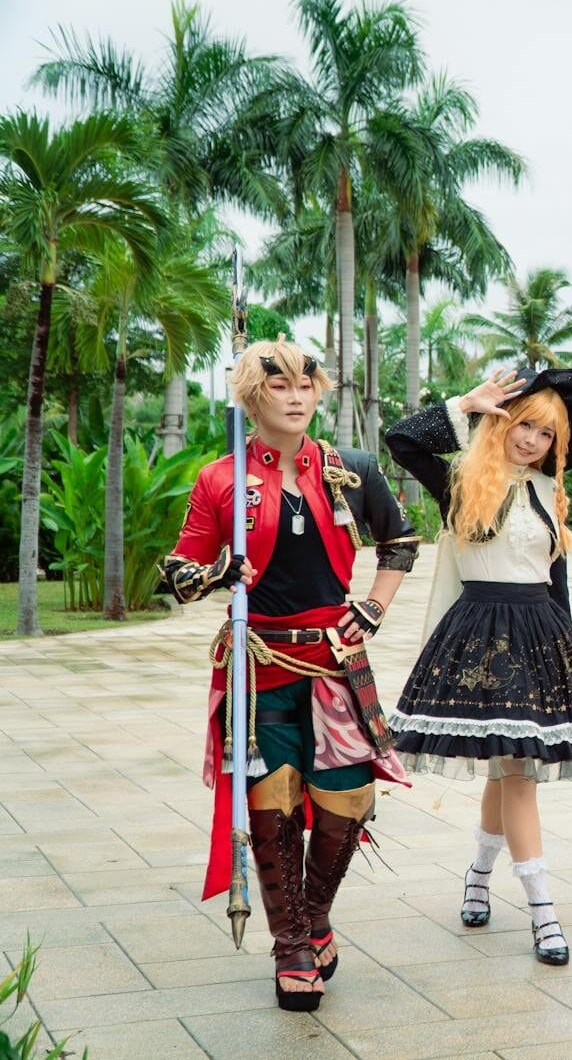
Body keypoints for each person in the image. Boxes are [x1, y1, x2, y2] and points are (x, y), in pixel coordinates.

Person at [162, 337, 417, 1011]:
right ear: (253, 395)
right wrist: (219, 573)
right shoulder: (221, 478)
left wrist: (373, 604)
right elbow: (179, 572)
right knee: (271, 805)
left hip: (335, 658)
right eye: (281, 387)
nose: (298, 396)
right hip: (260, 662)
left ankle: (314, 915)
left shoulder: (351, 468)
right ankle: (291, 945)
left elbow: (403, 540)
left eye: (307, 384)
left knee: (347, 800)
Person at [386, 367, 572, 965]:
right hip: (480, 639)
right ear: (503, 420)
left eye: (546, 433)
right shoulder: (461, 482)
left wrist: (571, 657)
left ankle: (479, 878)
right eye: (524, 424)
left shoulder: (550, 493)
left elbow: (555, 579)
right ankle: (544, 911)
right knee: (514, 772)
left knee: (508, 770)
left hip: (539, 636)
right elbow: (401, 439)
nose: (532, 440)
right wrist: (466, 403)